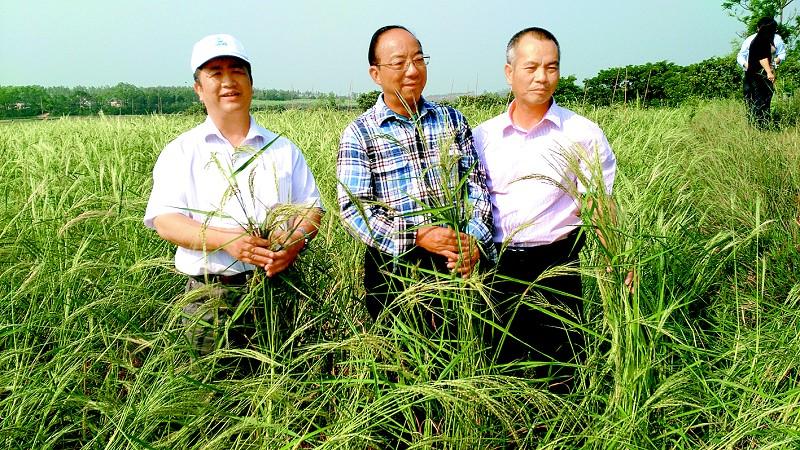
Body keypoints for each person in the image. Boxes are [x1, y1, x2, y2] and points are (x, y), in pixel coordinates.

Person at [143, 34, 322, 361]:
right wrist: (228, 241)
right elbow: (166, 221)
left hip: (279, 290)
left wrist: (291, 242)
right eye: (216, 73)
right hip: (210, 298)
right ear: (199, 89)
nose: (228, 81)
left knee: (288, 387)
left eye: (237, 71)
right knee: (215, 399)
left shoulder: (283, 149)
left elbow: (311, 210)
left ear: (251, 82)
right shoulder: (182, 151)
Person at [474, 27, 618, 392]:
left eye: (551, 67)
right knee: (499, 368)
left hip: (558, 266)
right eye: (531, 67)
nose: (542, 77)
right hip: (496, 268)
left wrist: (617, 257)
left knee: (563, 369)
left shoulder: (582, 133)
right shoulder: (481, 137)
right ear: (509, 73)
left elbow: (597, 203)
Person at [337, 25, 495, 323]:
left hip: (458, 265)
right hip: (395, 272)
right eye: (399, 63)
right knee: (403, 363)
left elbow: (477, 186)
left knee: (467, 354)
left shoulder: (452, 120)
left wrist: (474, 240)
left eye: (419, 60)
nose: (412, 70)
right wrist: (418, 235)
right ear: (375, 74)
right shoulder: (360, 133)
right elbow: (353, 210)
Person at [743, 18, 779, 129]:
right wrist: (769, 72)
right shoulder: (762, 40)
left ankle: (756, 126)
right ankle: (761, 127)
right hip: (758, 76)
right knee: (761, 102)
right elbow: (762, 58)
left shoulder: (759, 39)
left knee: (754, 102)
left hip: (751, 75)